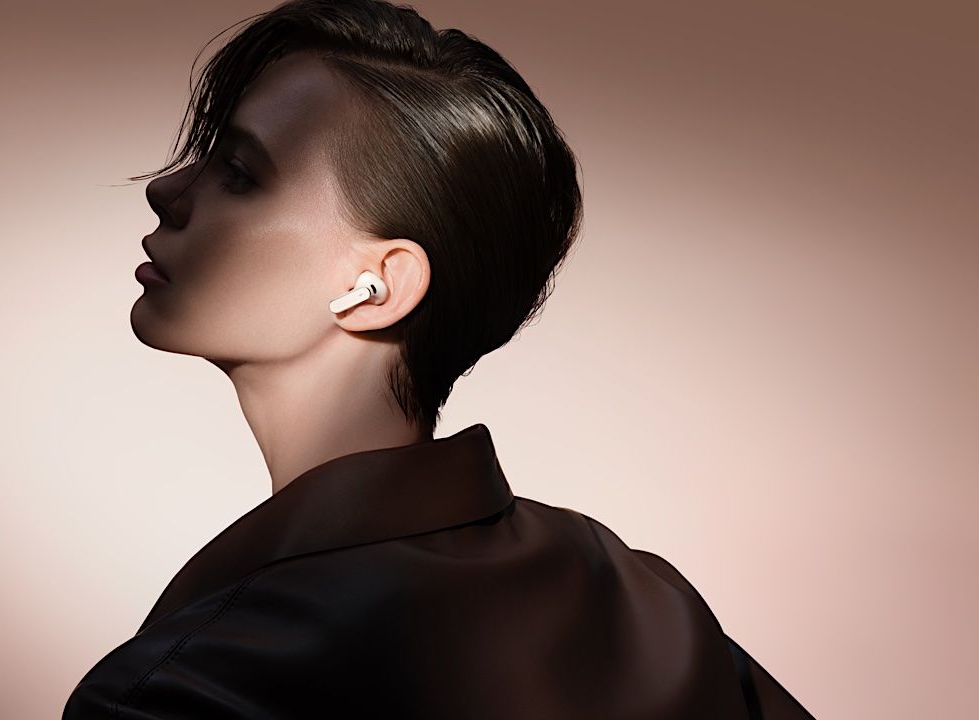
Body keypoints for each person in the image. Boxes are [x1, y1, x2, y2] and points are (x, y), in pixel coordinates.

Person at [66, 1, 814, 717]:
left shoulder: (193, 688)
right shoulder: (645, 609)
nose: (167, 190)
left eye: (240, 172)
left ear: (377, 286)